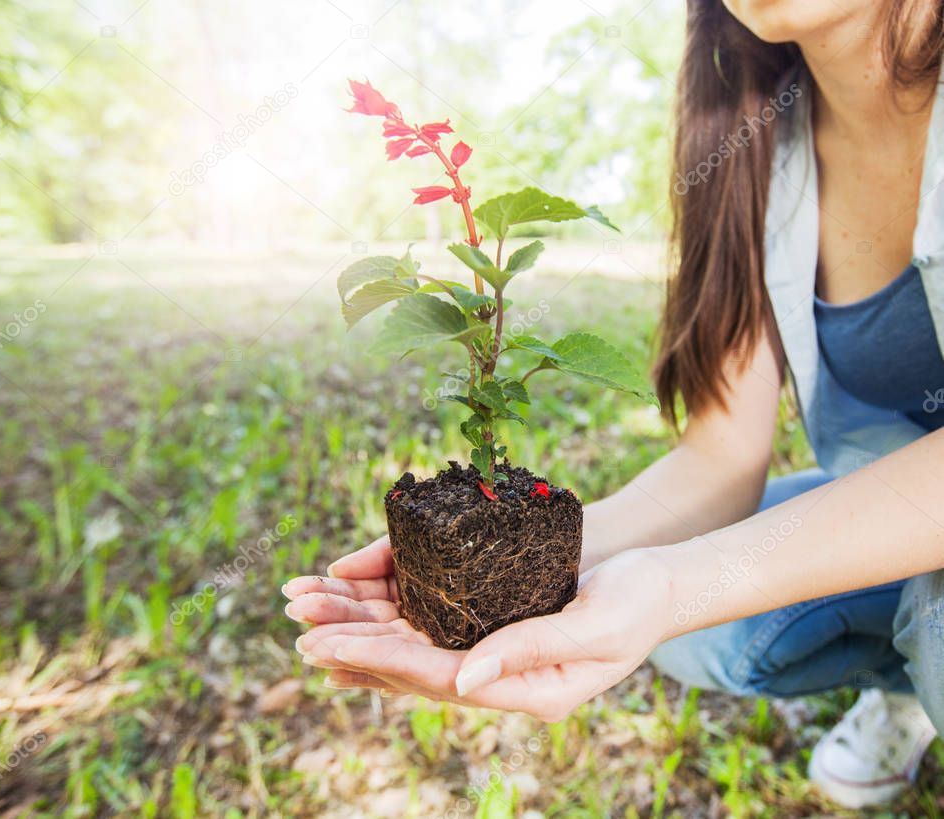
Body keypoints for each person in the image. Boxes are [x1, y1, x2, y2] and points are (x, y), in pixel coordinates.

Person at [283, 0, 944, 808]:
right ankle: (906, 682)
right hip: (897, 506)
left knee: (937, 629)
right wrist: (533, 565)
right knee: (705, 629)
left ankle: (925, 648)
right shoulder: (757, 145)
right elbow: (721, 454)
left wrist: (672, 583)